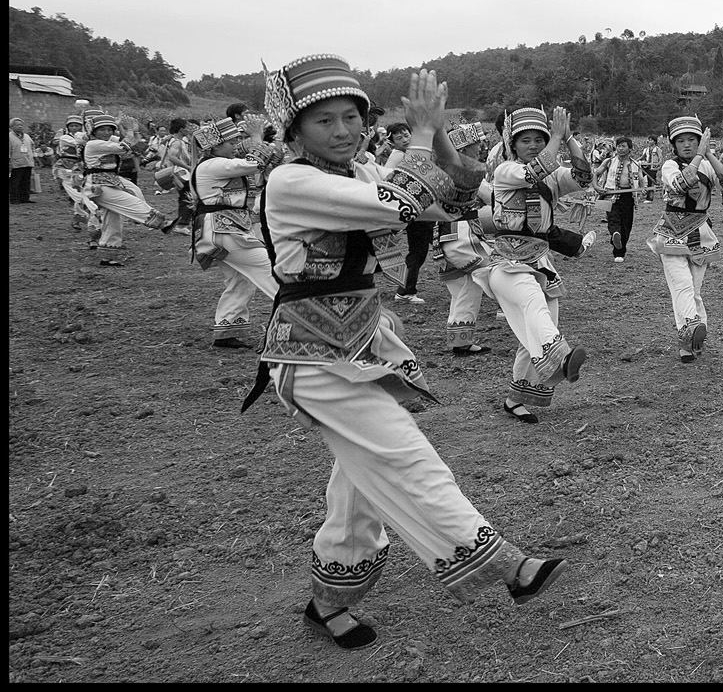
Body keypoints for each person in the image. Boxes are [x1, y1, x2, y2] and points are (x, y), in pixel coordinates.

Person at [245, 58, 566, 649]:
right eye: (324, 121)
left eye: (351, 117)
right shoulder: (291, 182)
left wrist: (437, 133)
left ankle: (328, 601)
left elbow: (458, 196)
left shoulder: (363, 169)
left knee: (358, 492)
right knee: (409, 459)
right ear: (293, 132)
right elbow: (402, 203)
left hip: (361, 343)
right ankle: (506, 565)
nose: (343, 131)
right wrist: (420, 136)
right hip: (316, 357)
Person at [474, 106, 591, 423]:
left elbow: (583, 176)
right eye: (525, 140)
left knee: (537, 330)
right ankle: (562, 357)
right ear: (512, 144)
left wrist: (568, 140)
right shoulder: (505, 172)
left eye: (539, 139)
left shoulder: (551, 178)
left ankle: (515, 398)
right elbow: (532, 172)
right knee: (533, 302)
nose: (534, 145)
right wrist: (556, 139)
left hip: (541, 259)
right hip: (507, 259)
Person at [647, 115, 723, 362]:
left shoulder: (707, 164)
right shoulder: (669, 165)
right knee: (683, 284)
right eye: (681, 141)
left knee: (693, 291)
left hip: (700, 232)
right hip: (672, 231)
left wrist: (708, 155)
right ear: (673, 145)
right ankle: (690, 331)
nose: (687, 145)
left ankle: (691, 340)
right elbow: (681, 183)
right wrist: (699, 156)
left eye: (693, 140)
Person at [188, 116, 279, 348]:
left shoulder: (217, 163)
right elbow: (253, 164)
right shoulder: (212, 165)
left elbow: (270, 159)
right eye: (231, 142)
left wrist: (260, 138)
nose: (235, 145)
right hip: (223, 229)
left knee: (241, 279)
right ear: (215, 146)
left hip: (223, 228)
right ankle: (298, 314)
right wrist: (257, 137)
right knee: (271, 267)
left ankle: (227, 331)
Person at [81, 113, 177, 263]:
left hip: (111, 180)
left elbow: (137, 146)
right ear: (93, 132)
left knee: (113, 218)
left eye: (109, 129)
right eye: (102, 130)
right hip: (98, 184)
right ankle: (161, 224)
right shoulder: (93, 144)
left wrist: (130, 129)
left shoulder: (107, 141)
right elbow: (124, 146)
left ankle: (108, 256)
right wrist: (131, 130)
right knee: (129, 201)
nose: (107, 133)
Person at [434, 122, 495, 356]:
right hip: (460, 234)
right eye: (475, 144)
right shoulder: (464, 172)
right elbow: (492, 197)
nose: (479, 147)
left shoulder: (444, 171)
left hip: (448, 235)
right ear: (463, 149)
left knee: (464, 288)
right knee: (486, 274)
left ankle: (460, 341)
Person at [378, 122, 435, 305]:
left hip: (421, 209)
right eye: (399, 137)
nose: (405, 139)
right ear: (392, 141)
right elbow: (386, 179)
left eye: (406, 135)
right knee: (418, 252)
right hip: (415, 211)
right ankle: (405, 291)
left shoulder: (409, 154)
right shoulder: (397, 156)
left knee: (424, 249)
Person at [596, 135, 647, 261]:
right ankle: (617, 247)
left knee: (626, 224)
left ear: (630, 149)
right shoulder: (609, 162)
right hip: (611, 194)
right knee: (613, 219)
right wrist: (596, 187)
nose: (620, 149)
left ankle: (619, 244)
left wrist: (642, 188)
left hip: (628, 196)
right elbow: (596, 174)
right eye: (618, 146)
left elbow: (641, 180)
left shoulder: (636, 164)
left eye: (623, 146)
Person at [9, 118, 36, 203]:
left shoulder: (27, 136)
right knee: (15, 181)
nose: (20, 127)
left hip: (27, 162)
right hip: (16, 162)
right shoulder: (10, 137)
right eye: (17, 125)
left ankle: (25, 198)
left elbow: (32, 146)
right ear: (11, 126)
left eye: (21, 125)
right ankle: (14, 198)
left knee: (26, 181)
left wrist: (33, 157)